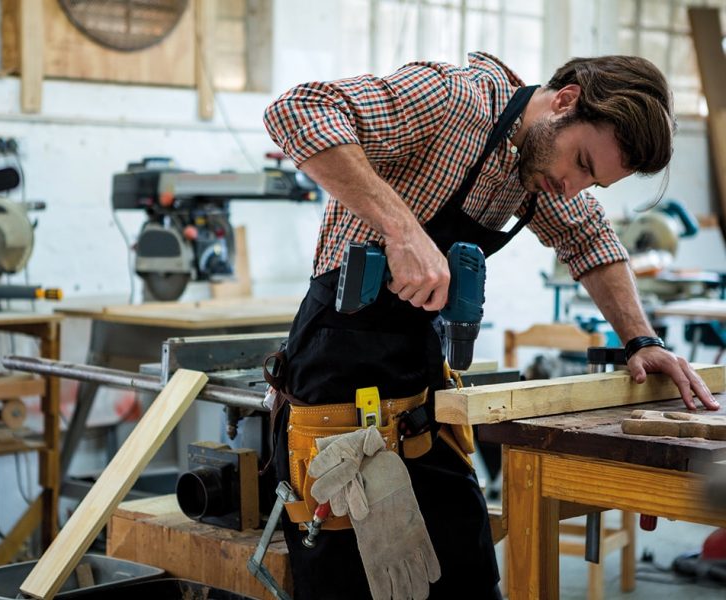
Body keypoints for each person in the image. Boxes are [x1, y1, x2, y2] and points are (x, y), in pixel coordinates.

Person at [262, 52, 720, 600]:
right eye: (581, 163)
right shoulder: (455, 98)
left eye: (592, 182)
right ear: (566, 100)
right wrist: (402, 230)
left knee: (468, 573)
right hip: (332, 375)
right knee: (344, 581)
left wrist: (641, 340)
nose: (571, 187)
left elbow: (590, 239)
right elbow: (298, 110)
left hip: (418, 387)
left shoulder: (537, 171)